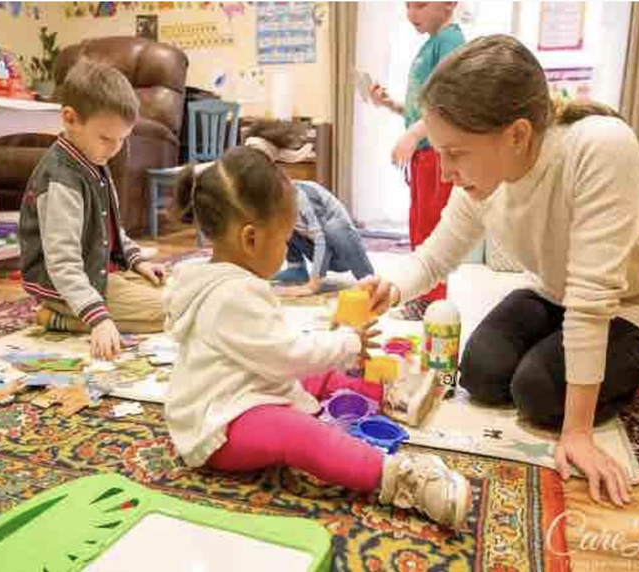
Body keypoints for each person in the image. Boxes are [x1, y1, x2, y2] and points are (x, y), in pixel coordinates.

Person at [361, 35, 639, 507]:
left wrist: (577, 432)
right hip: (558, 293)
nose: (445, 173)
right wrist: (389, 288)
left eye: (455, 154)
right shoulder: (484, 178)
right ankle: (564, 363)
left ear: (517, 134)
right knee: (481, 373)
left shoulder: (599, 147)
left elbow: (592, 297)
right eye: (440, 153)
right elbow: (435, 256)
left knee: (537, 392)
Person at [163, 144, 471, 529]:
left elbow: (273, 351)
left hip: (242, 387)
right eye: (285, 239)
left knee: (318, 375)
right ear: (250, 239)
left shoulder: (221, 280)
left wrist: (335, 343)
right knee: (299, 433)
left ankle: (388, 395)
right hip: (220, 427)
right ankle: (399, 479)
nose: (288, 249)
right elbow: (285, 356)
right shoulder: (232, 295)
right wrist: (346, 344)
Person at [19, 59, 165, 360]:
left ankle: (81, 311)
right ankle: (58, 317)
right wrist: (98, 319)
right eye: (106, 138)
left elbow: (112, 230)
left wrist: (137, 262)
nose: (114, 149)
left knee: (177, 291)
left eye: (122, 140)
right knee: (171, 311)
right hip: (65, 285)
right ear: (70, 119)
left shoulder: (93, 158)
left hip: (99, 272)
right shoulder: (62, 179)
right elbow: (62, 263)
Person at [369, 1, 465, 320]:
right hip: (425, 153)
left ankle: (430, 299)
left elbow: (449, 101)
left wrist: (412, 135)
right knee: (418, 223)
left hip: (437, 152)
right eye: (408, 5)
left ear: (449, 3)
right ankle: (422, 295)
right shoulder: (431, 46)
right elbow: (421, 107)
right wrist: (392, 105)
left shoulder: (450, 41)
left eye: (420, 4)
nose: (412, 14)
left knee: (431, 226)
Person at [243, 121, 374, 296]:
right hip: (312, 247)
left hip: (339, 253)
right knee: (283, 227)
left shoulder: (299, 196)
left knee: (334, 228)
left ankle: (367, 277)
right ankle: (296, 268)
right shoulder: (267, 200)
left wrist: (312, 286)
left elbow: (322, 240)